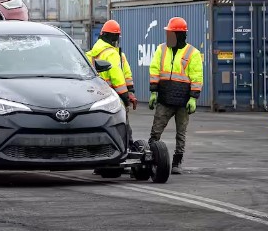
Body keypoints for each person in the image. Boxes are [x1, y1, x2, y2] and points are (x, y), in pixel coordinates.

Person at [148, 17, 204, 175]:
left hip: (183, 101)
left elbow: (196, 76)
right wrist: (153, 91)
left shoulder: (193, 53)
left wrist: (193, 98)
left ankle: (177, 161)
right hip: (165, 98)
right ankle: (150, 158)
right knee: (155, 132)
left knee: (181, 133)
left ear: (180, 35)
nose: (168, 36)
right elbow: (154, 70)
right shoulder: (161, 49)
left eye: (171, 33)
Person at [86, 20, 139, 142]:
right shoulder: (113, 54)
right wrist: (126, 96)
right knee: (122, 126)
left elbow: (126, 74)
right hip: (114, 97)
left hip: (95, 99)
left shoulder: (89, 55)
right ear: (115, 37)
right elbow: (118, 78)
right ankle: (126, 149)